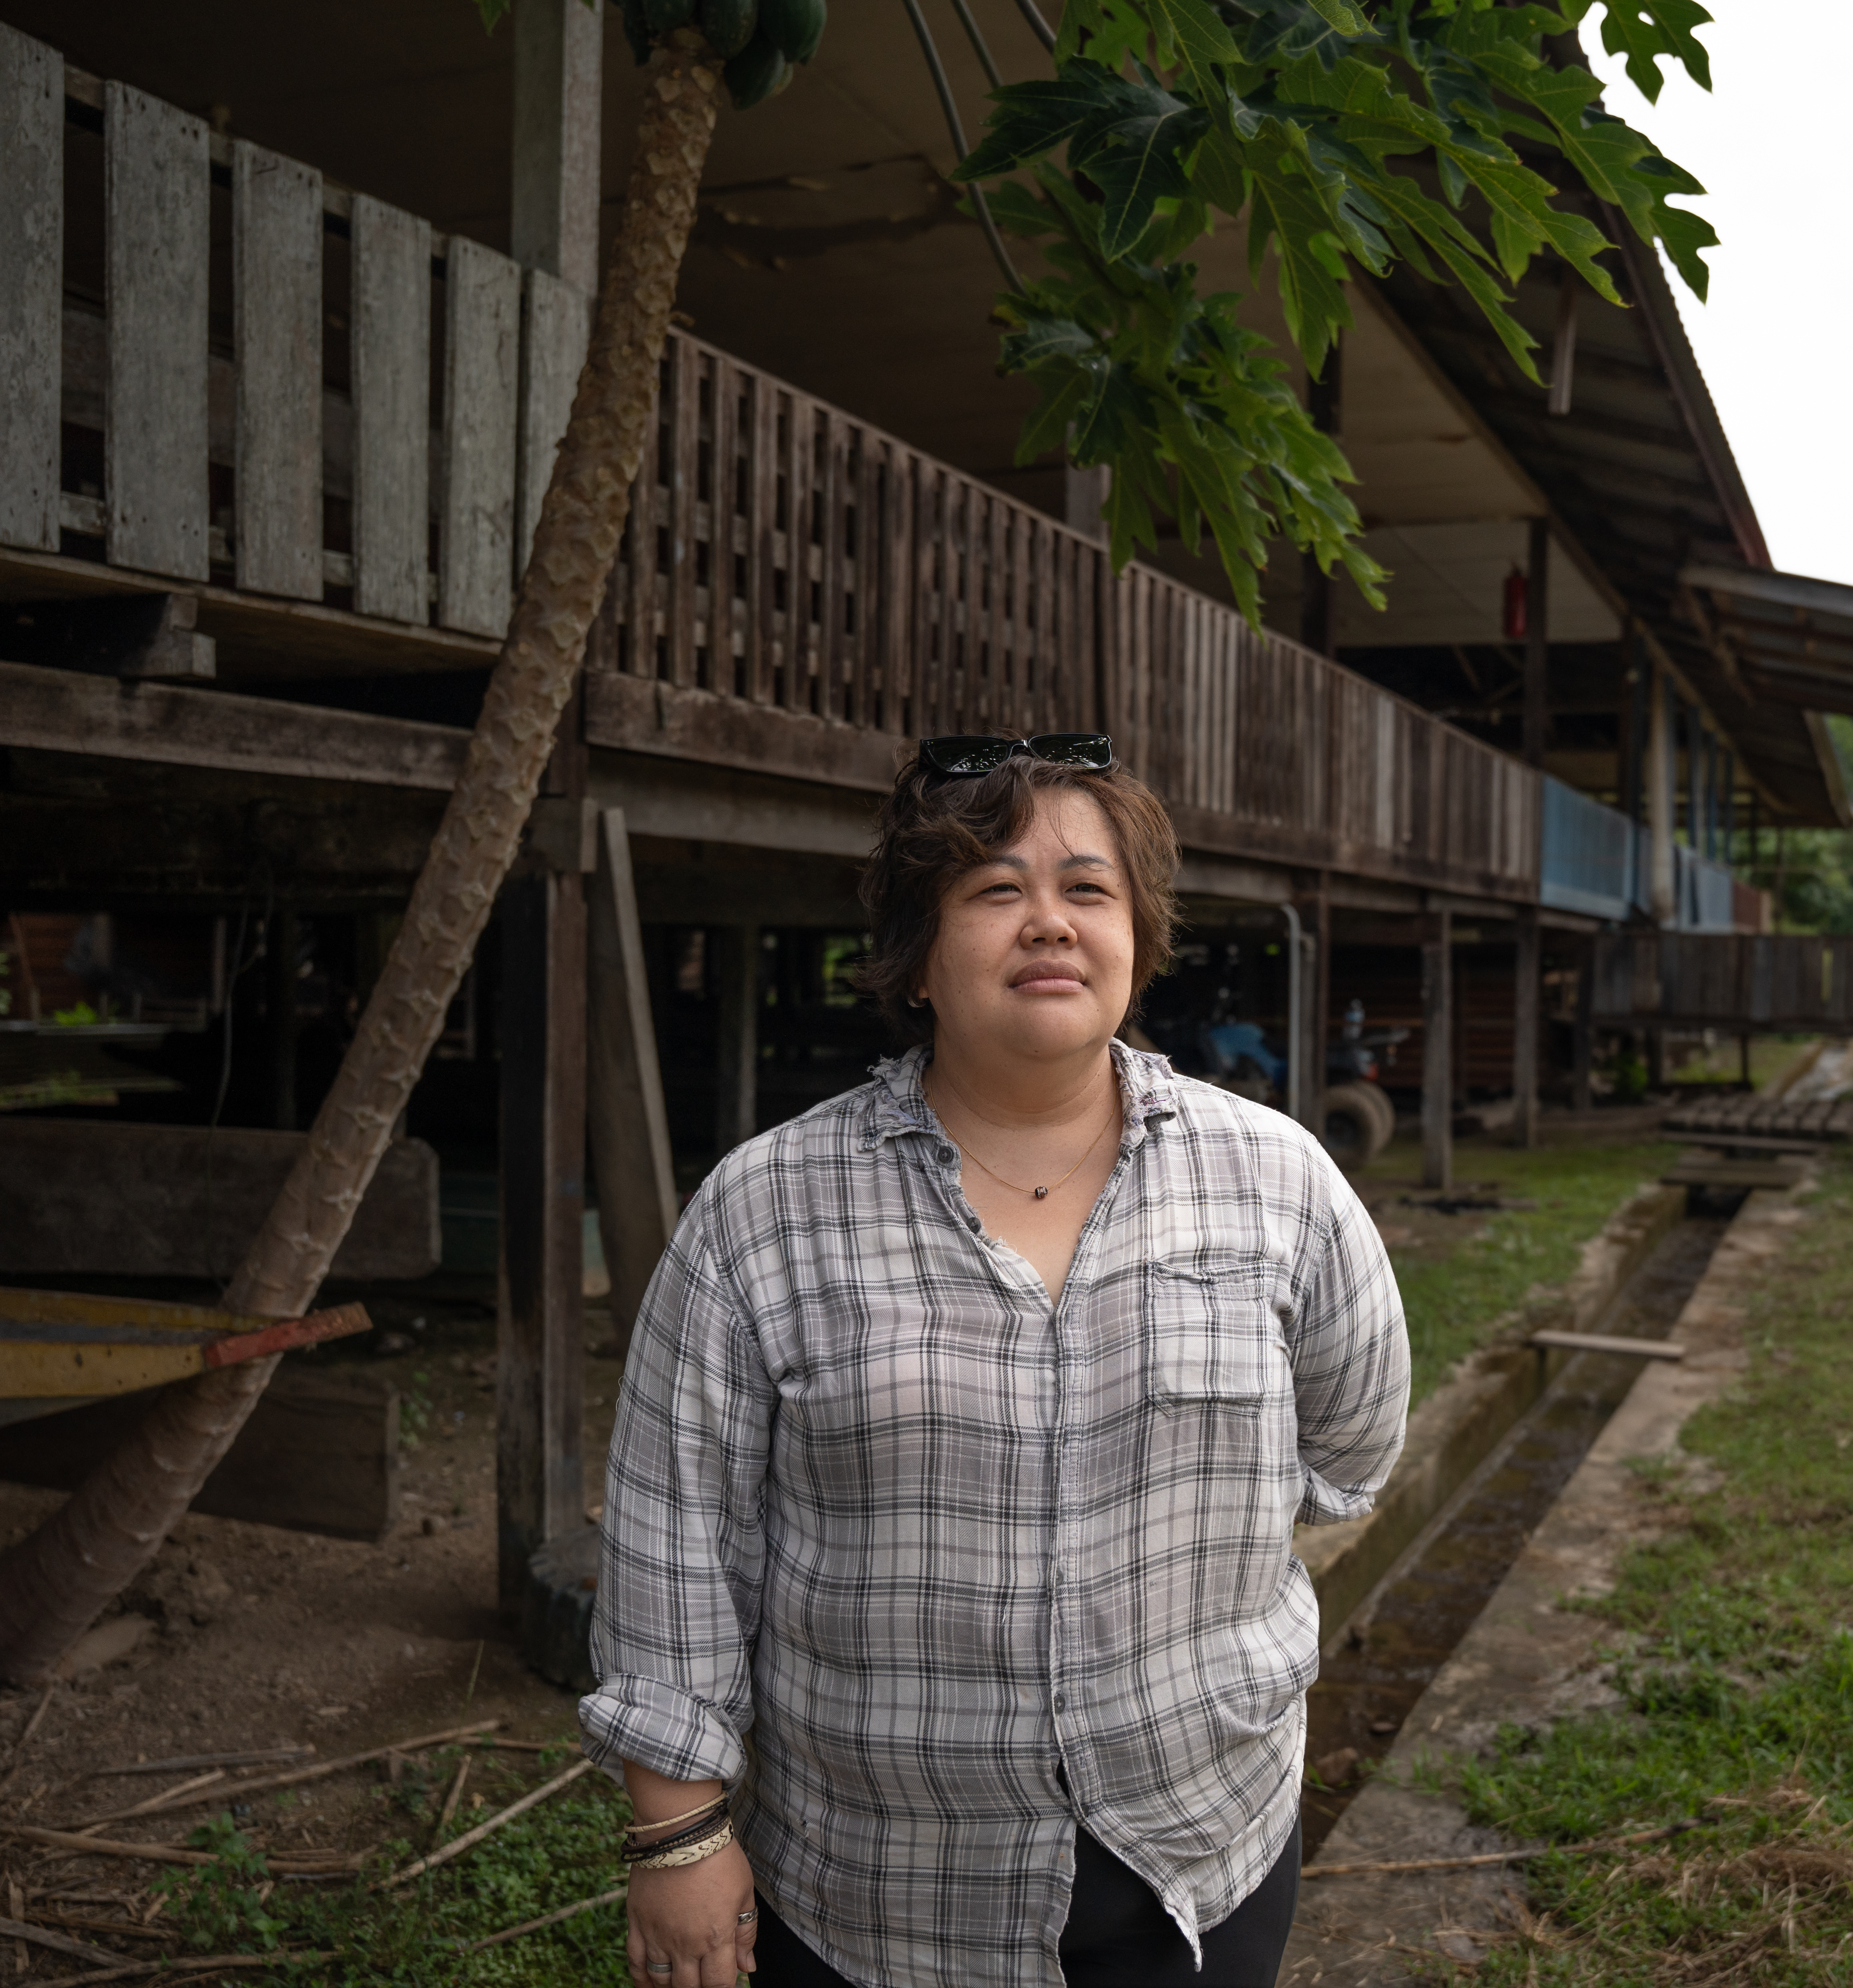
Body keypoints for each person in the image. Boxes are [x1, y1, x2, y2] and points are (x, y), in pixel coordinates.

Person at [580, 732, 1412, 1988]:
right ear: (919, 958)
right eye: (993, 890)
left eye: (1088, 889)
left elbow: (1352, 1442)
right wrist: (678, 1834)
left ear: (1137, 937)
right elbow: (675, 1538)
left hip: (1204, 1855)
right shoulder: (767, 1211)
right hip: (875, 1896)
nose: (1050, 923)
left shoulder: (1278, 1182)